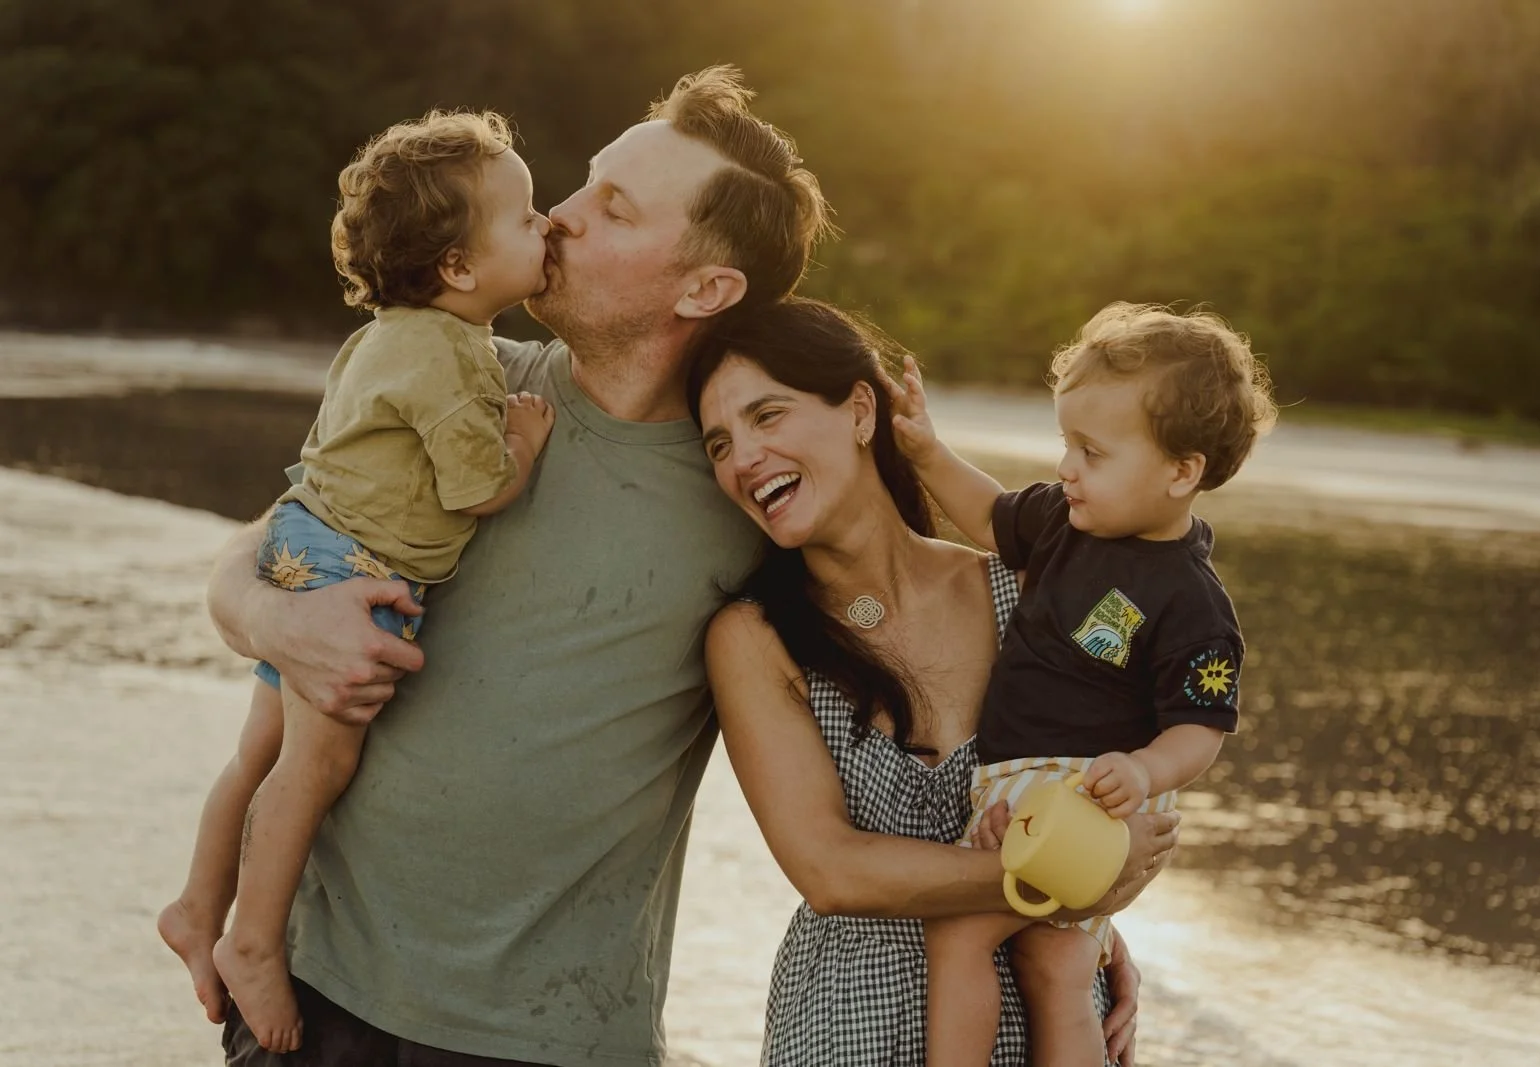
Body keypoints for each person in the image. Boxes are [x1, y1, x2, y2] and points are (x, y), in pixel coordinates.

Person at [197, 67, 841, 1066]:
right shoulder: (461, 376)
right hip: (316, 997)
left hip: (549, 1038)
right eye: (576, 187)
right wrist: (268, 617)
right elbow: (270, 536)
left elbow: (936, 649)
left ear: (705, 287)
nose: (561, 219)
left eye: (611, 207)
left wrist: (1069, 923)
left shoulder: (755, 489)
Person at [688, 298, 1183, 1066]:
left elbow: (1130, 777)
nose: (742, 457)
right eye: (719, 443)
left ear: (860, 410)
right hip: (849, 1024)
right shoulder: (754, 637)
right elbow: (831, 869)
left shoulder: (1027, 589)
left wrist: (1097, 920)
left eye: (768, 415)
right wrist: (1069, 880)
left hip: (1046, 1022)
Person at [158, 109, 555, 1053]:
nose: (549, 227)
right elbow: (474, 487)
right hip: (353, 569)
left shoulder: (389, 334)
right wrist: (526, 446)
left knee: (257, 754)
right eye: (528, 216)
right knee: (318, 763)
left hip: (304, 547)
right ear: (458, 266)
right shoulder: (455, 354)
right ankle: (254, 939)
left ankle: (197, 901)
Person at [886, 303, 1277, 1067]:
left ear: (1182, 470)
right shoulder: (1067, 521)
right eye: (1066, 443)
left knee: (961, 931)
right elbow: (987, 514)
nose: (1067, 467)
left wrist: (1143, 768)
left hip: (1086, 796)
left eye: (1092, 452)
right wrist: (927, 451)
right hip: (1032, 788)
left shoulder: (1192, 599)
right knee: (1056, 964)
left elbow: (1201, 725)